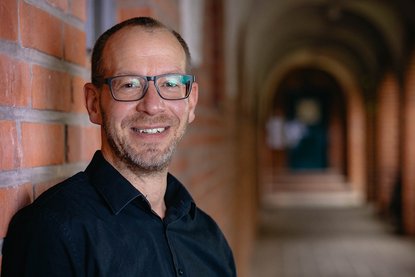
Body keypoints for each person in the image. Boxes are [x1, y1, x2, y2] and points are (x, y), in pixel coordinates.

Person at [1, 17, 236, 277]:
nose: (153, 105)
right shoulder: (52, 232)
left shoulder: (209, 238)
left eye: (170, 84)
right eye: (129, 84)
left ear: (191, 103)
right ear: (93, 103)